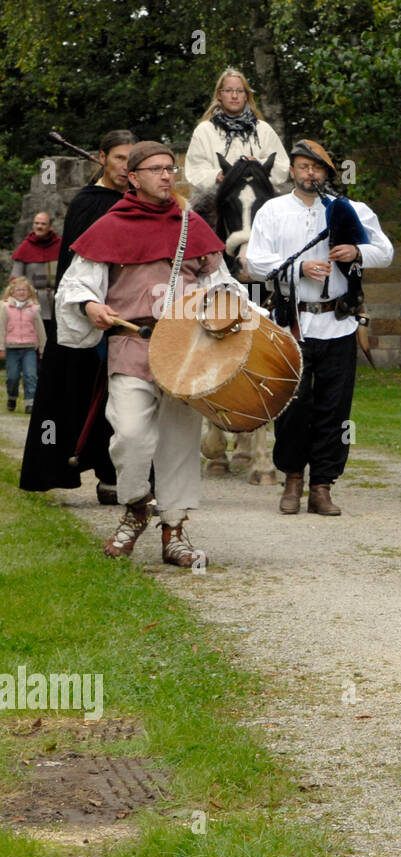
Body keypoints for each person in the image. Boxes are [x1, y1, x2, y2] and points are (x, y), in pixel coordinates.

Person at [56, 141, 237, 566]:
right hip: (132, 344)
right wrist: (91, 307)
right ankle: (137, 505)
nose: (165, 176)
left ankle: (174, 531)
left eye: (169, 169)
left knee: (178, 441)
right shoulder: (111, 225)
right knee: (131, 436)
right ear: (133, 178)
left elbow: (223, 283)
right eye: (155, 169)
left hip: (188, 349)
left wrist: (224, 311)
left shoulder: (193, 226)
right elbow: (77, 284)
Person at [245, 139, 393, 516]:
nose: (310, 173)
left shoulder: (351, 210)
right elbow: (256, 262)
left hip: (338, 323)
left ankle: (322, 485)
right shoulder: (272, 211)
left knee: (334, 407)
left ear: (327, 171)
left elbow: (385, 251)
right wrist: (298, 269)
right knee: (293, 406)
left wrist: (357, 252)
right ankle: (292, 480)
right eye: (302, 166)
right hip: (291, 323)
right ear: (292, 171)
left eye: (317, 167)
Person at [20, 129, 138, 502]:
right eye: (119, 157)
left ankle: (115, 474)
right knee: (81, 392)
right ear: (100, 157)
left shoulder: (140, 202)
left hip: (131, 314)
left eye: (131, 159)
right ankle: (74, 465)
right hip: (89, 313)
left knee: (123, 397)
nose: (125, 166)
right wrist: (90, 306)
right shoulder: (88, 203)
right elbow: (78, 264)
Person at [184, 67, 290, 194]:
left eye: (239, 91)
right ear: (219, 95)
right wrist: (217, 175)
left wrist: (256, 166)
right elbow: (195, 169)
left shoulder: (263, 129)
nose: (234, 96)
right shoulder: (204, 130)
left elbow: (282, 166)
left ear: (246, 95)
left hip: (259, 197)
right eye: (228, 90)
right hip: (217, 198)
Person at [10, 211, 60, 330]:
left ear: (50, 227)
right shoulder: (25, 247)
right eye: (36, 223)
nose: (39, 226)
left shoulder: (60, 245)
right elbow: (15, 278)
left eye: (43, 224)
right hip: (32, 302)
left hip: (57, 301)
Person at [2, 276, 45, 413]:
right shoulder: (5, 308)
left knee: (30, 375)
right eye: (18, 290)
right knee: (12, 377)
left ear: (29, 292)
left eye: (24, 290)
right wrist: (1, 348)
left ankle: (30, 403)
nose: (21, 292)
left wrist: (43, 348)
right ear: (12, 292)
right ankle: (12, 397)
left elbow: (40, 330)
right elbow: (1, 328)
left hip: (29, 348)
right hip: (11, 347)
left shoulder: (34, 308)